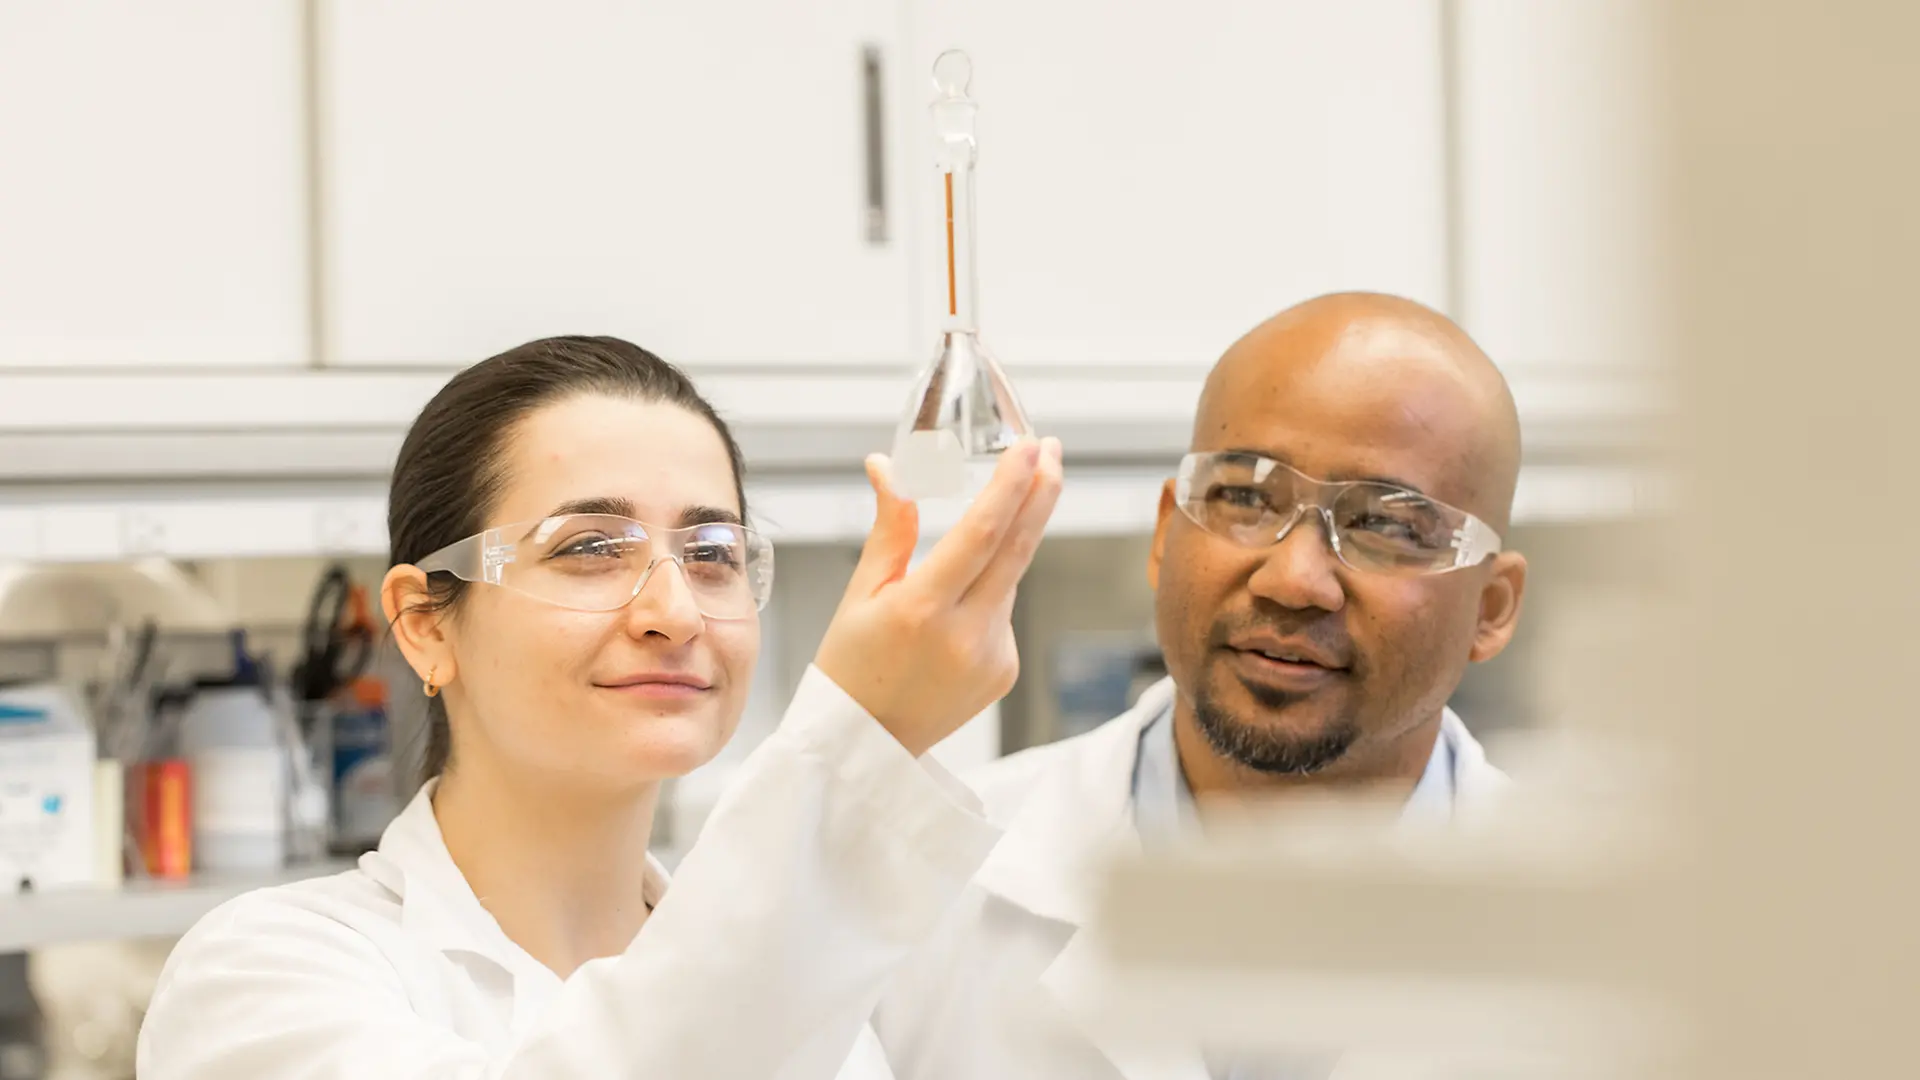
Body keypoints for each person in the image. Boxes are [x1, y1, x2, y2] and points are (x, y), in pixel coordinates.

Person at [136, 336, 1065, 1079]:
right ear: (425, 623)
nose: (673, 611)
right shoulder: (268, 978)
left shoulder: (823, 1014)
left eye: (711, 553)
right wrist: (863, 739)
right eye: (590, 548)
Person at [873, 292, 1530, 1080]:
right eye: (1247, 496)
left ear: (1491, 609)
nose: (1294, 580)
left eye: (1385, 524)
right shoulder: (918, 883)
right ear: (1165, 533)